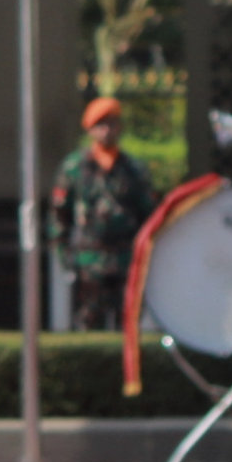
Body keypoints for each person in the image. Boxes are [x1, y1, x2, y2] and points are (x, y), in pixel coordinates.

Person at [51, 97, 156, 333]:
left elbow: (148, 216)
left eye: (112, 123)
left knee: (127, 324)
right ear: (89, 128)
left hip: (125, 258)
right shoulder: (74, 168)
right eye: (101, 124)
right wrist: (64, 256)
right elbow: (59, 217)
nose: (107, 130)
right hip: (89, 259)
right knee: (88, 323)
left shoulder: (133, 169)